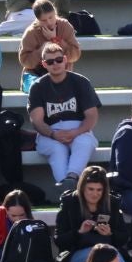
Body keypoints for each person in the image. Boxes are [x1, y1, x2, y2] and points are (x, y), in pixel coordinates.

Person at [25, 42, 98, 188]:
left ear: (65, 60)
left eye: (58, 60)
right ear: (44, 64)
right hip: (49, 133)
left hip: (79, 129)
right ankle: (68, 187)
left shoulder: (81, 82)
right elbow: (37, 121)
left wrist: (76, 132)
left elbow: (92, 115)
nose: (55, 64)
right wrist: (53, 135)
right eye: (50, 62)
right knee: (57, 149)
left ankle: (70, 179)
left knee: (84, 142)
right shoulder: (38, 87)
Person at [54, 166, 132, 262]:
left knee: (110, 257)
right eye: (90, 189)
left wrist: (110, 234)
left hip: (108, 253)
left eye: (99, 190)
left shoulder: (112, 203)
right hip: (77, 253)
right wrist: (79, 232)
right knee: (100, 256)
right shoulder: (70, 202)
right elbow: (59, 240)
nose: (95, 194)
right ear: (82, 188)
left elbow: (124, 237)